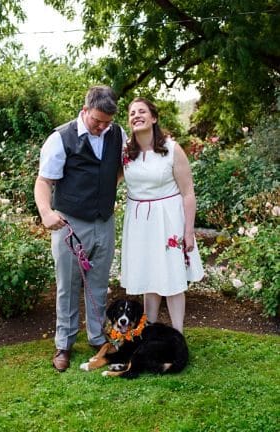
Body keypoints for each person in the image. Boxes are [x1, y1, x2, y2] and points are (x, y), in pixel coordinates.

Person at [34, 85, 127, 372]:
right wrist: (47, 213)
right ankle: (64, 344)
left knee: (99, 284)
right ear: (84, 110)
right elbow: (44, 182)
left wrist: (104, 192)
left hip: (104, 222)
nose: (101, 127)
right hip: (70, 223)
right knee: (68, 286)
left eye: (106, 122)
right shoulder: (60, 139)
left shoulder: (117, 134)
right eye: (96, 120)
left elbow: (120, 170)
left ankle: (98, 337)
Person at [120, 97, 203, 333]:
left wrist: (188, 231)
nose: (136, 115)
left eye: (142, 111)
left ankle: (178, 335)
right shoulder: (126, 151)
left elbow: (188, 193)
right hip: (138, 222)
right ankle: (150, 332)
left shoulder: (171, 149)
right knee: (149, 275)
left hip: (169, 219)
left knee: (173, 277)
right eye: (132, 112)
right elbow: (110, 179)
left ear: (153, 117)